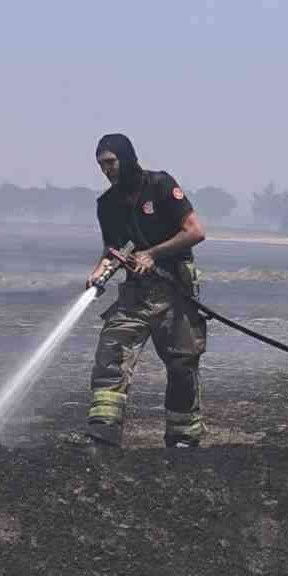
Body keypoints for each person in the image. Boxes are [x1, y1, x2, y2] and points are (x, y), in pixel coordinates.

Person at [84, 133, 207, 447]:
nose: (106, 170)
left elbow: (195, 232)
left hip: (175, 292)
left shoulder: (160, 186)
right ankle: (103, 434)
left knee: (182, 365)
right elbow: (112, 249)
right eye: (101, 165)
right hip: (135, 295)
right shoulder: (107, 204)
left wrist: (153, 254)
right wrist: (99, 272)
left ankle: (183, 439)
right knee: (110, 354)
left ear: (126, 158)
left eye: (110, 163)